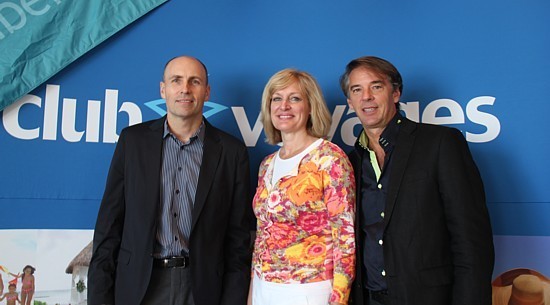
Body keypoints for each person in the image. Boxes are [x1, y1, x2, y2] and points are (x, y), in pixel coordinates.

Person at [88, 56, 253, 305]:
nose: (185, 89)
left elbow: (237, 241)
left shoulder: (232, 152)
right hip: (139, 286)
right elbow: (108, 229)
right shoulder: (132, 142)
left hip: (202, 289)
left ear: (206, 92)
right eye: (176, 80)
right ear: (163, 89)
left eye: (194, 81)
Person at [339, 56, 494, 305]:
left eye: (376, 86)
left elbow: (471, 240)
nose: (366, 96)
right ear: (350, 102)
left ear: (396, 93)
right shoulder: (348, 162)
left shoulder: (440, 143)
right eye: (357, 90)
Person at [250, 69, 356, 305]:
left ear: (311, 107)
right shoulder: (267, 164)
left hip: (309, 291)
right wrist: (252, 295)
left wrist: (339, 300)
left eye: (294, 98)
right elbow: (261, 238)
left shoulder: (329, 158)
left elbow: (345, 241)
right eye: (276, 98)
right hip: (263, 289)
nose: (284, 106)